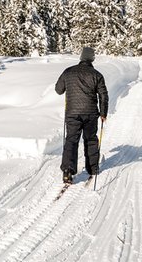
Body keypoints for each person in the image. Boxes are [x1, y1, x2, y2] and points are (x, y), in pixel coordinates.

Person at [55, 46, 108, 184]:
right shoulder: (97, 75)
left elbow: (58, 90)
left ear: (81, 57)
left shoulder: (68, 72)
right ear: (92, 58)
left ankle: (67, 171)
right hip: (90, 113)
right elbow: (103, 95)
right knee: (90, 139)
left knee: (71, 140)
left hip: (72, 113)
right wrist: (103, 113)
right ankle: (92, 169)